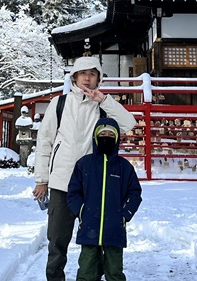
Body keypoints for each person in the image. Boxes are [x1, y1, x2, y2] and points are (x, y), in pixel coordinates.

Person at [32, 56, 136, 281]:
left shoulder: (103, 107)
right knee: (57, 240)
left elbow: (129, 124)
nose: (87, 78)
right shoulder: (59, 104)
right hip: (61, 182)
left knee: (94, 240)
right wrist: (42, 180)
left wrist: (104, 100)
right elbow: (45, 141)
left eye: (92, 74)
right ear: (75, 77)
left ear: (98, 79)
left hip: (92, 185)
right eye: (82, 74)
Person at [67, 118, 142, 281]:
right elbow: (73, 192)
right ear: (95, 137)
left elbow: (135, 193)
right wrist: (81, 212)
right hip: (89, 227)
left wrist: (125, 214)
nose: (106, 137)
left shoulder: (124, 167)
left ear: (116, 139)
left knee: (114, 272)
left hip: (114, 228)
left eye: (110, 134)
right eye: (102, 134)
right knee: (86, 271)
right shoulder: (84, 164)